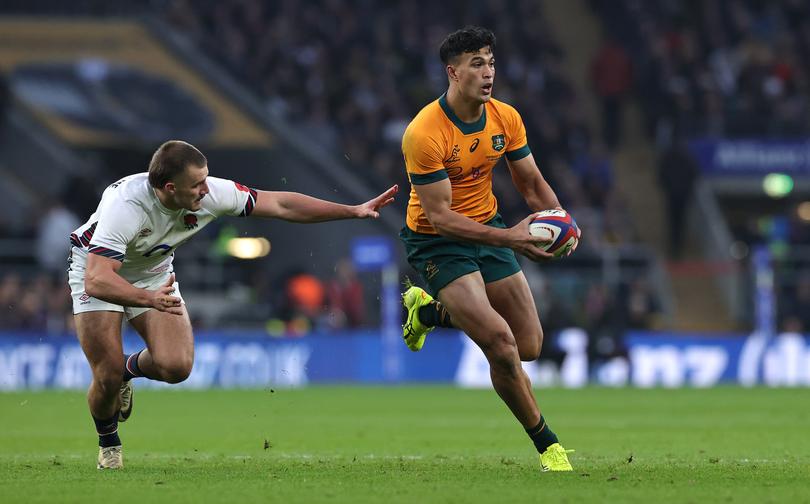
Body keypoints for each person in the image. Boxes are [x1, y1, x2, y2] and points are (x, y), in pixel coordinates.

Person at [68, 140, 397, 469]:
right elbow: (97, 279)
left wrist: (352, 210)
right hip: (97, 271)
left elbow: (282, 205)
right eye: (197, 184)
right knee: (105, 376)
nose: (206, 189)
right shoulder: (126, 205)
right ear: (170, 188)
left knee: (176, 365)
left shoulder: (211, 193)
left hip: (153, 274)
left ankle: (127, 372)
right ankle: (109, 441)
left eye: (206, 179)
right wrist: (148, 299)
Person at [398, 26, 576, 472]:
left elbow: (531, 184)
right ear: (453, 72)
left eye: (491, 62)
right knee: (499, 343)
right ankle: (549, 446)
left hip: (489, 228)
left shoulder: (506, 118)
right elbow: (440, 217)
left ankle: (428, 313)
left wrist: (563, 221)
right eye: (477, 63)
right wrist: (513, 238)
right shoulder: (424, 133)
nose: (488, 71)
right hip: (438, 242)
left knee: (529, 345)